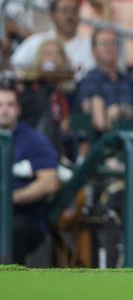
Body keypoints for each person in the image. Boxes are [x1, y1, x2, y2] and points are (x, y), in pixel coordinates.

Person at [0, 85, 59, 265]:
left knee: (13, 235)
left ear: (18, 109)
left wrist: (12, 197)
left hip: (23, 217)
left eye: (10, 105)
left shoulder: (33, 140)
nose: (5, 110)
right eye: (0, 105)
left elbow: (50, 182)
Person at [77, 29, 133, 133]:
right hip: (103, 144)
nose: (109, 47)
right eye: (104, 43)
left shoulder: (131, 79)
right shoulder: (88, 81)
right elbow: (100, 121)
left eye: (113, 43)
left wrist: (122, 112)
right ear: (93, 51)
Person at [11, 0, 94, 77]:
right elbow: (14, 67)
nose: (70, 16)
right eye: (64, 10)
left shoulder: (90, 46)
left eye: (74, 10)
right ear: (52, 15)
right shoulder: (36, 41)